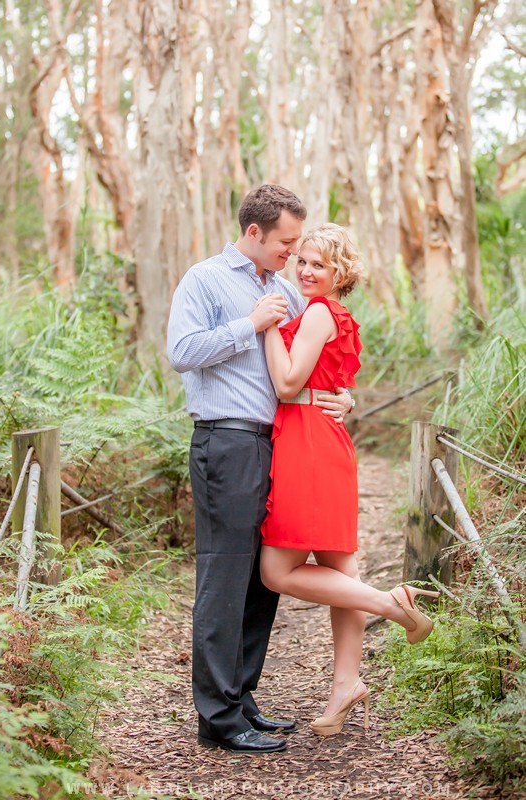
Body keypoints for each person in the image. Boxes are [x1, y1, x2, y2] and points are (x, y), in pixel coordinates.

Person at [167, 185, 355, 754]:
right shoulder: (205, 280)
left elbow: (320, 357)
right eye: (286, 243)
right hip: (225, 441)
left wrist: (346, 398)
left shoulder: (285, 289)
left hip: (278, 446)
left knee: (259, 582)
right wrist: (248, 324)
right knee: (224, 580)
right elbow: (182, 351)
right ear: (254, 234)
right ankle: (218, 718)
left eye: (299, 246)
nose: (293, 255)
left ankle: (241, 698)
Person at [259, 223, 440, 736]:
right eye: (304, 261)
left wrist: (268, 326)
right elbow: (331, 383)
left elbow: (288, 381)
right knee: (342, 571)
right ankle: (346, 685)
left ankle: (391, 605)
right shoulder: (334, 314)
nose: (307, 270)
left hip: (308, 446)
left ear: (341, 273)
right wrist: (344, 398)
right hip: (321, 437)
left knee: (276, 570)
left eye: (319, 263)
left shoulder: (316, 312)